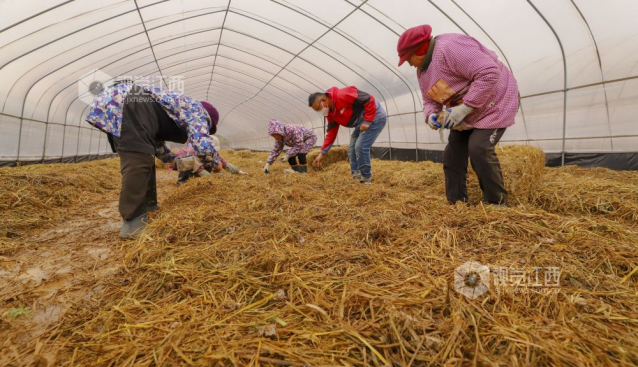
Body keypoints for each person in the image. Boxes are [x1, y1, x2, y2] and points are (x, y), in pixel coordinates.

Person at [397, 24, 518, 205]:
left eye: (409, 59)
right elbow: (430, 100)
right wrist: (431, 115)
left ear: (419, 50)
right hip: (466, 113)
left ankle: (496, 203)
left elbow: (489, 73)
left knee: (479, 148)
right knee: (452, 156)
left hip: (494, 102)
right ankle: (457, 203)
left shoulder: (450, 48)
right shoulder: (422, 72)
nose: (410, 63)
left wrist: (465, 107)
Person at [86, 82, 222, 239]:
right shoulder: (198, 112)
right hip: (131, 101)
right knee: (138, 160)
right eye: (207, 128)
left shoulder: (174, 109)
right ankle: (133, 224)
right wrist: (214, 163)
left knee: (144, 154)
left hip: (117, 103)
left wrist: (175, 160)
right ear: (208, 120)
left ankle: (147, 208)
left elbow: (155, 145)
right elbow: (204, 147)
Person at [308, 86, 386, 184]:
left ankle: (366, 178)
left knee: (360, 147)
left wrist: (367, 121)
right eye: (317, 111)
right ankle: (356, 176)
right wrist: (322, 153)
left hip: (375, 117)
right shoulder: (330, 114)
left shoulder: (343, 95)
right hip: (360, 123)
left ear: (323, 100)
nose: (320, 111)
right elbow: (331, 132)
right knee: (351, 149)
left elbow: (368, 99)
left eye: (319, 108)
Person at [175, 135, 248, 186]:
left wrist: (238, 171)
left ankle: (197, 177)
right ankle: (182, 181)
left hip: (198, 167)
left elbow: (223, 162)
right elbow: (199, 169)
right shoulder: (195, 151)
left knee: (214, 165)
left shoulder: (213, 153)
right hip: (183, 162)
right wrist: (211, 179)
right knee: (187, 164)